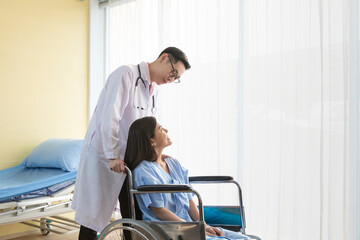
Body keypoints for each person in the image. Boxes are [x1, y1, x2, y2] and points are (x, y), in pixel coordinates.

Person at [72, 47, 191, 240]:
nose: (171, 78)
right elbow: (110, 116)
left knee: (132, 217)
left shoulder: (154, 91)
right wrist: (112, 156)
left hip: (132, 161)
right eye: (173, 72)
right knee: (92, 219)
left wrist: (156, 155)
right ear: (164, 58)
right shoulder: (126, 74)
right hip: (106, 158)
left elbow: (148, 130)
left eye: (176, 77)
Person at [124, 116, 252, 240]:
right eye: (161, 129)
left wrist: (204, 226)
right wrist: (194, 229)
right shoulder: (143, 171)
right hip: (169, 231)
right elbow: (159, 212)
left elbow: (189, 200)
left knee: (245, 238)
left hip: (191, 226)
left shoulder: (173, 164)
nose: (166, 131)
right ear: (152, 141)